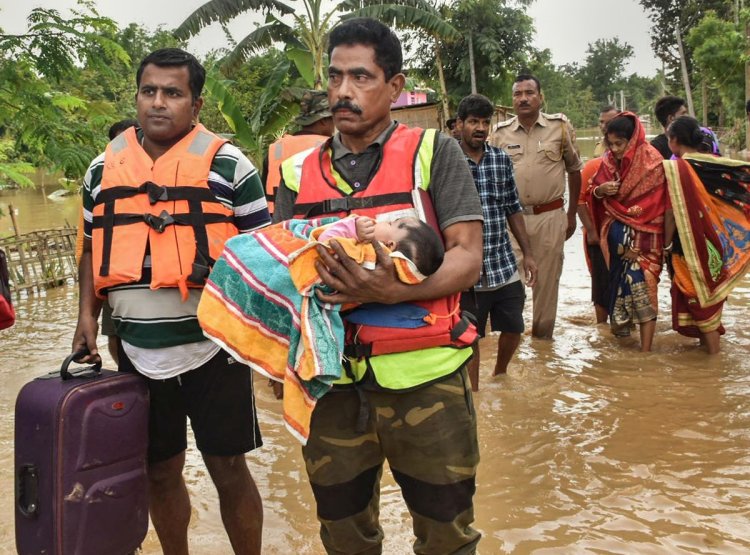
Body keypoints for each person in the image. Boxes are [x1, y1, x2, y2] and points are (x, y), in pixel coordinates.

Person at [273, 17, 484, 554]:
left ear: (394, 86)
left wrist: (393, 293)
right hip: (328, 384)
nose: (344, 91)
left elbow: (467, 258)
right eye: (337, 77)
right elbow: (280, 268)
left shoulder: (436, 152)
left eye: (361, 77)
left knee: (447, 536)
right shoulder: (296, 172)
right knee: (344, 537)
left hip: (426, 379)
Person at [72, 48, 269, 555]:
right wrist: (86, 321)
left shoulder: (229, 165)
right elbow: (92, 249)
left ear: (196, 105)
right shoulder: (100, 170)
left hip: (215, 348)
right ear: (137, 96)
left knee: (228, 467)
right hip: (134, 352)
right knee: (158, 471)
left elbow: (265, 257)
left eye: (173, 93)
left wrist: (273, 345)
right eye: (149, 91)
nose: (158, 103)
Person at [198, 214, 445, 444]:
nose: (381, 220)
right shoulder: (294, 173)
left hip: (418, 381)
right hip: (335, 391)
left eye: (392, 225)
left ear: (389, 246)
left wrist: (353, 229)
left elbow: (326, 244)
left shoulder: (369, 245)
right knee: (337, 486)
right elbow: (290, 237)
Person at [489, 73, 582, 339]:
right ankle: (512, 345)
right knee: (512, 284)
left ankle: (543, 347)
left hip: (550, 216)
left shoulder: (560, 127)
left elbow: (575, 171)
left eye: (529, 93)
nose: (523, 98)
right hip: (510, 220)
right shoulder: (499, 134)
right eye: (517, 94)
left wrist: (571, 215)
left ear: (541, 98)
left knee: (546, 285)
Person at [455, 93, 537, 389]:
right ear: (459, 124)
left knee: (514, 327)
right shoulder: (448, 160)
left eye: (484, 122)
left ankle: (500, 376)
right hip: (466, 269)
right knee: (470, 335)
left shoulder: (500, 159)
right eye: (473, 121)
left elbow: (512, 207)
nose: (479, 128)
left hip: (502, 264)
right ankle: (473, 393)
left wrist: (527, 254)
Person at [663, 115, 750, 354]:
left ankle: (714, 360)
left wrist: (666, 245)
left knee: (698, 300)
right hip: (716, 242)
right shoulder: (714, 164)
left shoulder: (676, 169)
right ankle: (708, 357)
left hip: (688, 245)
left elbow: (670, 212)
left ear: (674, 141)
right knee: (709, 297)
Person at [588, 112, 667, 351]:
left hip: (646, 242)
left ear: (632, 140)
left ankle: (646, 351)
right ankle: (625, 347)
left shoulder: (652, 162)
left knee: (645, 288)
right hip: (617, 242)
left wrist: (638, 246)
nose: (615, 150)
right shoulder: (609, 162)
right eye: (610, 144)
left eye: (619, 144)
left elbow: (659, 206)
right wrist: (601, 190)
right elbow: (592, 192)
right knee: (619, 290)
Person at [577, 107, 619, 324]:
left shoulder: (642, 161)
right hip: (598, 231)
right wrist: (592, 231)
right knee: (601, 282)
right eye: (601, 122)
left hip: (628, 233)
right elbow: (580, 199)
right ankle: (603, 328)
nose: (604, 126)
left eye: (609, 122)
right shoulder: (595, 163)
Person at [263, 89, 334, 215]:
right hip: (313, 226)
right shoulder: (330, 147)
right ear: (323, 120)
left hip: (275, 225)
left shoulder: (276, 148)